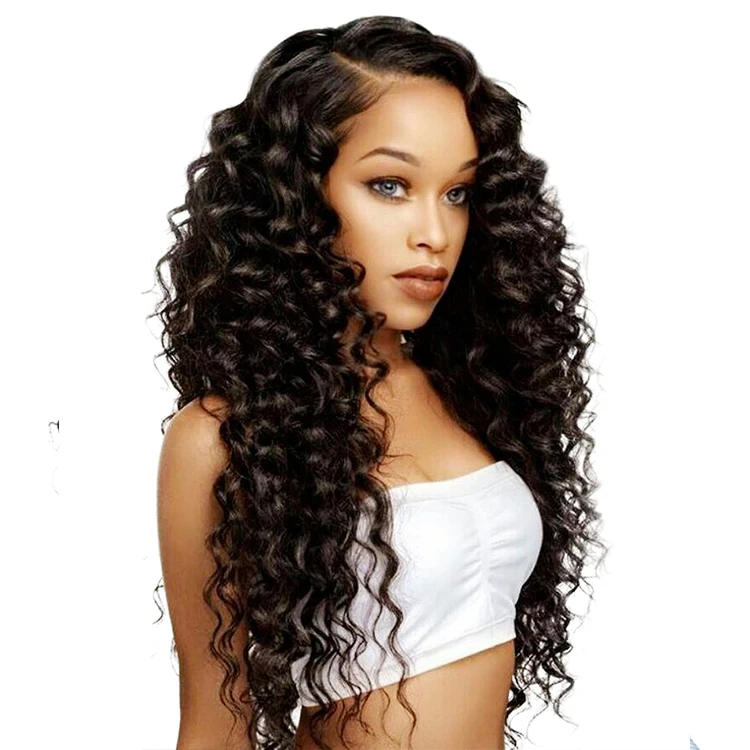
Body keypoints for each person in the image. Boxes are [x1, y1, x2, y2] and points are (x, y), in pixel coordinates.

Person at [152, 15, 608, 750]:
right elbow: (215, 725)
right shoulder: (223, 436)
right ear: (297, 195)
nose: (435, 232)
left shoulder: (473, 388)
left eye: (457, 193)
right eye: (389, 185)